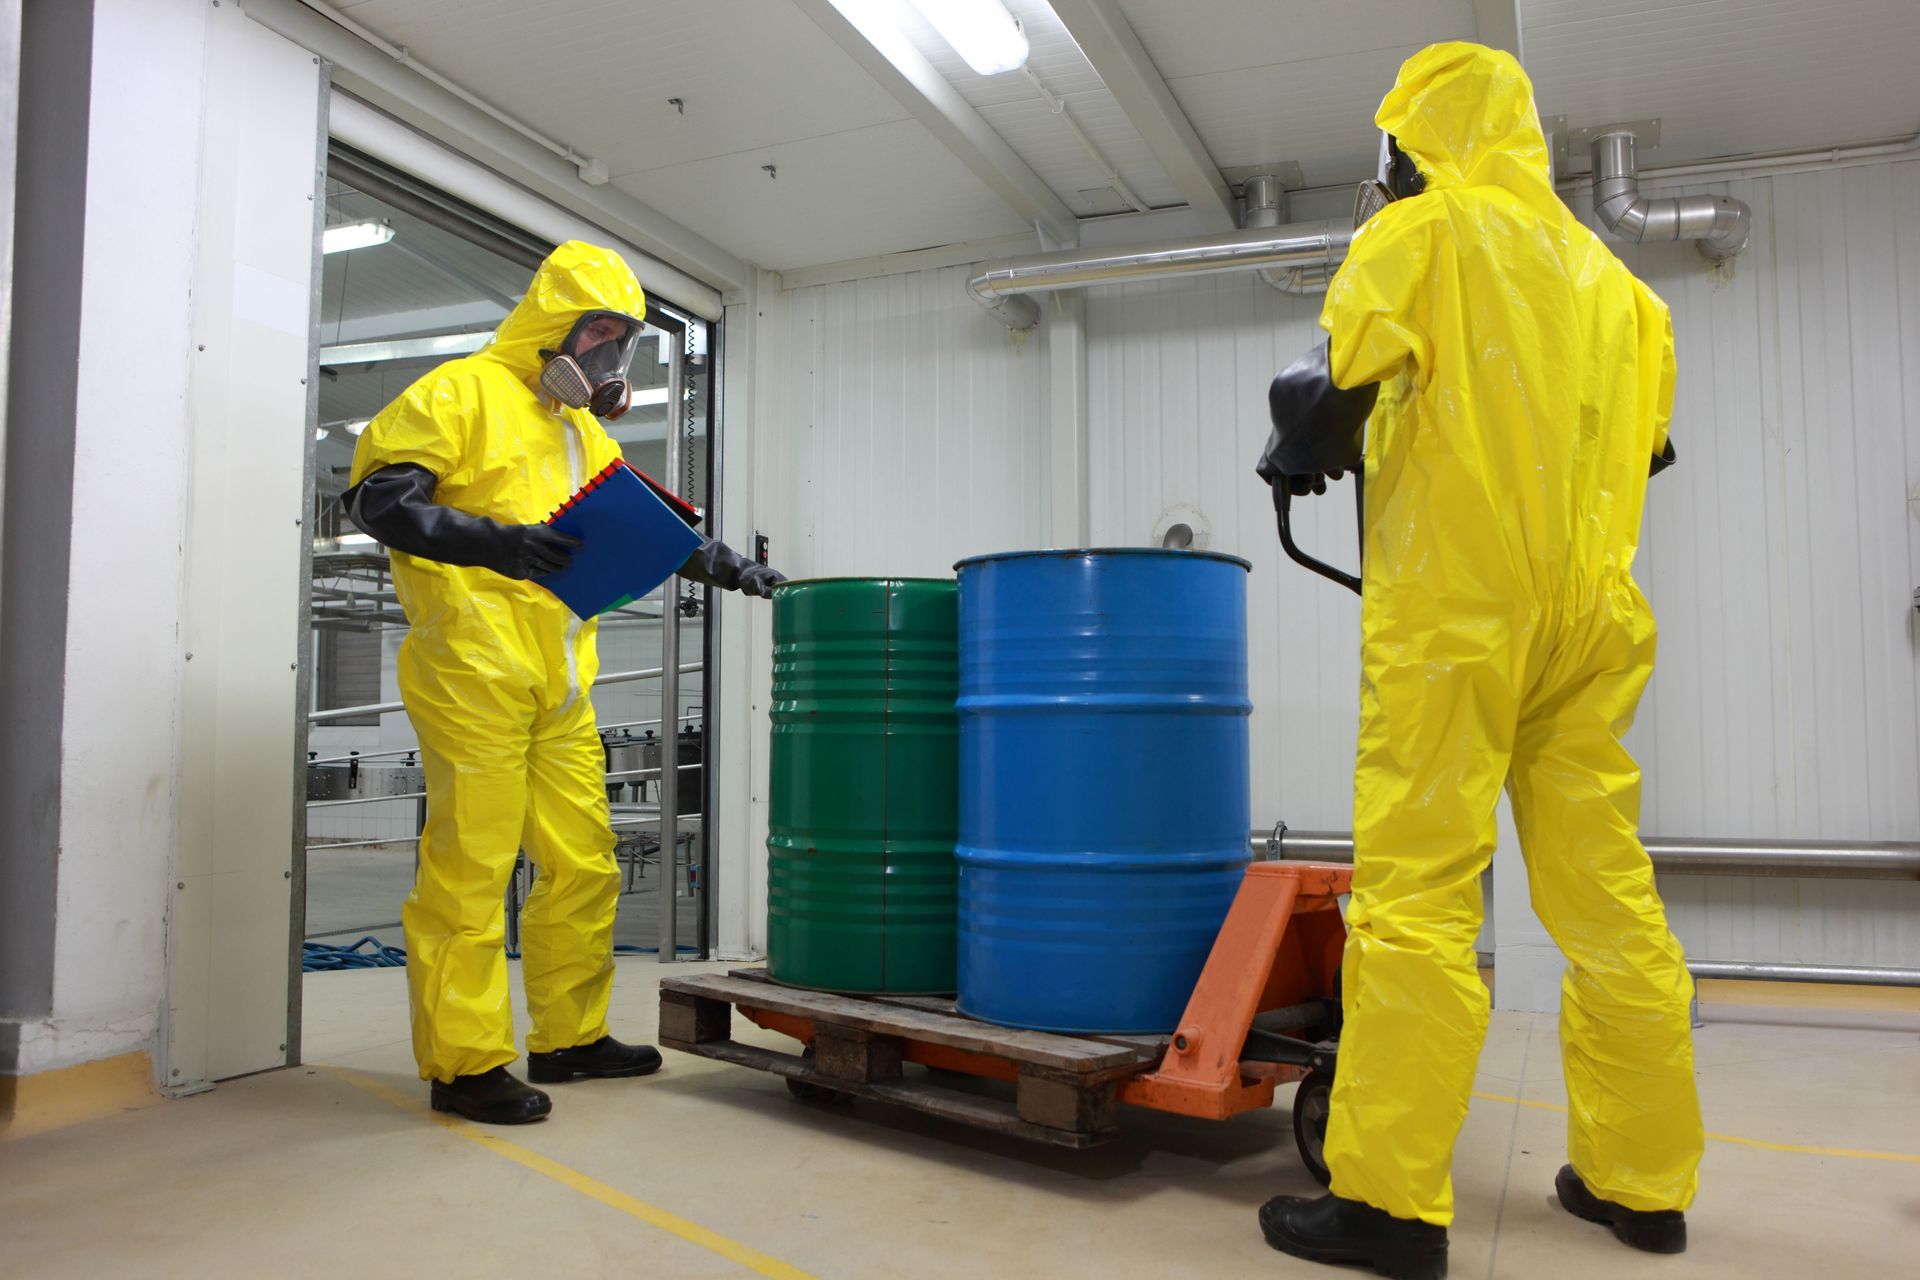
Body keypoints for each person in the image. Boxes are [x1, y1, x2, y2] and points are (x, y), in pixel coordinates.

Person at [1253, 43, 1698, 1280]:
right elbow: (1645, 450)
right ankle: (1641, 1182)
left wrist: (1295, 446)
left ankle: (1389, 1204)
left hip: (1458, 616)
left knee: (1418, 897)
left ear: (1416, 142)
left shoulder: (1424, 234)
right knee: (1606, 895)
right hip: (1591, 622)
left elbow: (1330, 388)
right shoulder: (1625, 294)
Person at [344, 240, 783, 1124]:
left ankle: (570, 1037)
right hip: (471, 670)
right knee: (472, 869)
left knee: (583, 861)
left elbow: (643, 526)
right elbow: (379, 502)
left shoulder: (582, 432)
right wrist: (496, 543)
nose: (608, 357)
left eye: (622, 341)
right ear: (553, 325)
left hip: (560, 681)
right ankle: (466, 1064)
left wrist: (730, 567)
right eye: (597, 334)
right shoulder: (459, 393)